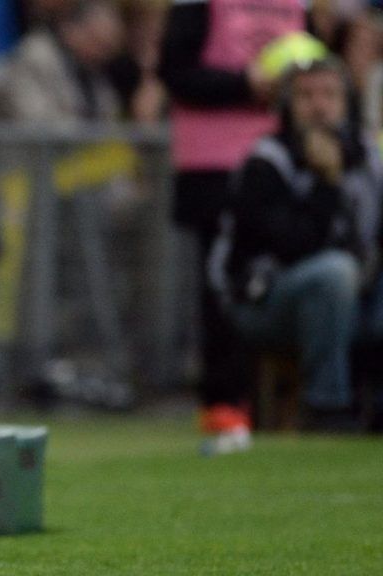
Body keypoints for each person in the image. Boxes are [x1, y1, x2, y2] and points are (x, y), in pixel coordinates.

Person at [158, 0, 307, 453]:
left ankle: (282, 403)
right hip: (213, 165)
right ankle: (224, 403)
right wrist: (245, 83)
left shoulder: (298, 5)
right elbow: (175, 73)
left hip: (282, 160)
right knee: (220, 286)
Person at [208, 55, 383, 431]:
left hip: (354, 302)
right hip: (265, 302)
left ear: (346, 102)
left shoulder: (369, 159)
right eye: (306, 95)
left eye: (329, 95)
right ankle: (327, 407)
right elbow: (292, 245)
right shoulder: (266, 162)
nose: (319, 106)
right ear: (288, 105)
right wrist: (326, 184)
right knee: (334, 271)